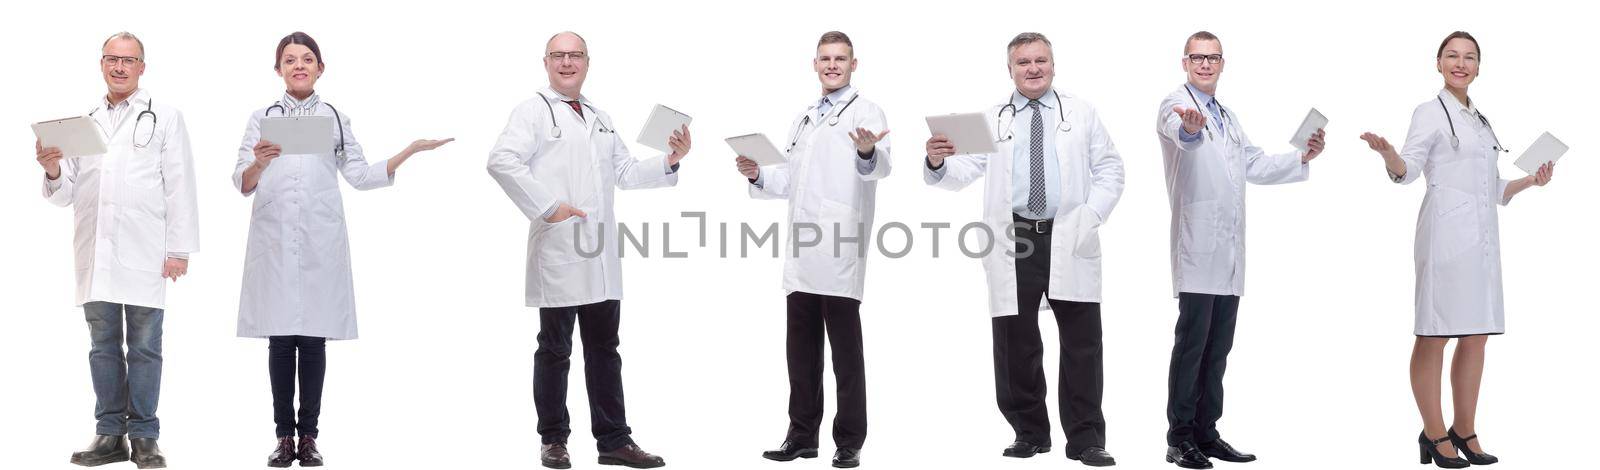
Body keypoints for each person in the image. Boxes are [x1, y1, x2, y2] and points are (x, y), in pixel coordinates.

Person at [231, 31, 453, 468]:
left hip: (318, 239)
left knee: (313, 340)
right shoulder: (261, 117)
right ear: (278, 69)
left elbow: (360, 175)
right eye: (290, 60)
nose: (299, 65)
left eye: (307, 59)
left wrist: (408, 152)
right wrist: (259, 161)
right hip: (275, 238)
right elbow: (241, 181)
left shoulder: (334, 117)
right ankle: (282, 438)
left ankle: (309, 438)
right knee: (280, 340)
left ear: (320, 68)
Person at [487, 31, 690, 470]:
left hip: (599, 253)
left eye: (574, 55)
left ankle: (614, 441)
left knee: (605, 349)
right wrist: (548, 206)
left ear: (587, 62)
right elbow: (501, 160)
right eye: (558, 55)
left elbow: (626, 172)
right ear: (545, 63)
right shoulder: (533, 111)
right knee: (555, 349)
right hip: (558, 248)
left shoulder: (600, 116)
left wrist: (671, 159)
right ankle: (553, 441)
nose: (566, 62)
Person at [923, 32, 1124, 468]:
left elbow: (1110, 168)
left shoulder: (1082, 112)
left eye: (1041, 60)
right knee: (1016, 340)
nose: (1033, 69)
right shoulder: (992, 117)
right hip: (1015, 236)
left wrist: (1090, 216)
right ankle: (1029, 431)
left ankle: (1086, 438)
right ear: (1010, 69)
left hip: (1069, 233)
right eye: (1023, 62)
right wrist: (938, 161)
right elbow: (965, 169)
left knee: (1082, 341)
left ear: (1053, 64)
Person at [1359, 31, 1553, 469]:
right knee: (1435, 333)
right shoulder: (1429, 112)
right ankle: (1433, 433)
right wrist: (1389, 154)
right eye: (1452, 56)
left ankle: (1465, 430)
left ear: (1479, 67)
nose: (1460, 63)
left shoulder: (1480, 121)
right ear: (1439, 63)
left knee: (1477, 335)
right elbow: (1407, 171)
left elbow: (1491, 187)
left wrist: (1530, 181)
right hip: (1445, 239)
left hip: (1482, 241)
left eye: (1469, 57)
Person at [1154, 31, 1326, 469]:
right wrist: (1190, 129)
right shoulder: (1175, 104)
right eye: (1198, 57)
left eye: (1213, 58)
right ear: (1184, 62)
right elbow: (1181, 134)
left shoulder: (1227, 115)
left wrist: (1302, 157)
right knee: (1192, 345)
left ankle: (1208, 434)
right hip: (1198, 246)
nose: (1206, 64)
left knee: (1218, 348)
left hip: (1228, 252)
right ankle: (1179, 438)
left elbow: (1253, 164)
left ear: (1222, 63)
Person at [39, 31, 199, 470]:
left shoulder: (164, 117)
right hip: (95, 253)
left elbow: (180, 184)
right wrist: (53, 167)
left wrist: (179, 249)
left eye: (129, 60)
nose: (120, 67)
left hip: (147, 250)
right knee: (103, 345)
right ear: (102, 63)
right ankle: (110, 433)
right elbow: (64, 194)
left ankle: (145, 437)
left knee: (146, 346)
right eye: (112, 59)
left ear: (142, 67)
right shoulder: (81, 122)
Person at [738, 31, 891, 470]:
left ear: (853, 64)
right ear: (815, 64)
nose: (832, 66)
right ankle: (801, 436)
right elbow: (791, 181)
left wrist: (866, 150)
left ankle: (849, 441)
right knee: (800, 349)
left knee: (845, 353)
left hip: (840, 245)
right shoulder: (804, 117)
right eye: (825, 59)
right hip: (802, 250)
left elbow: (880, 166)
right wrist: (756, 175)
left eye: (840, 59)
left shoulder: (865, 110)